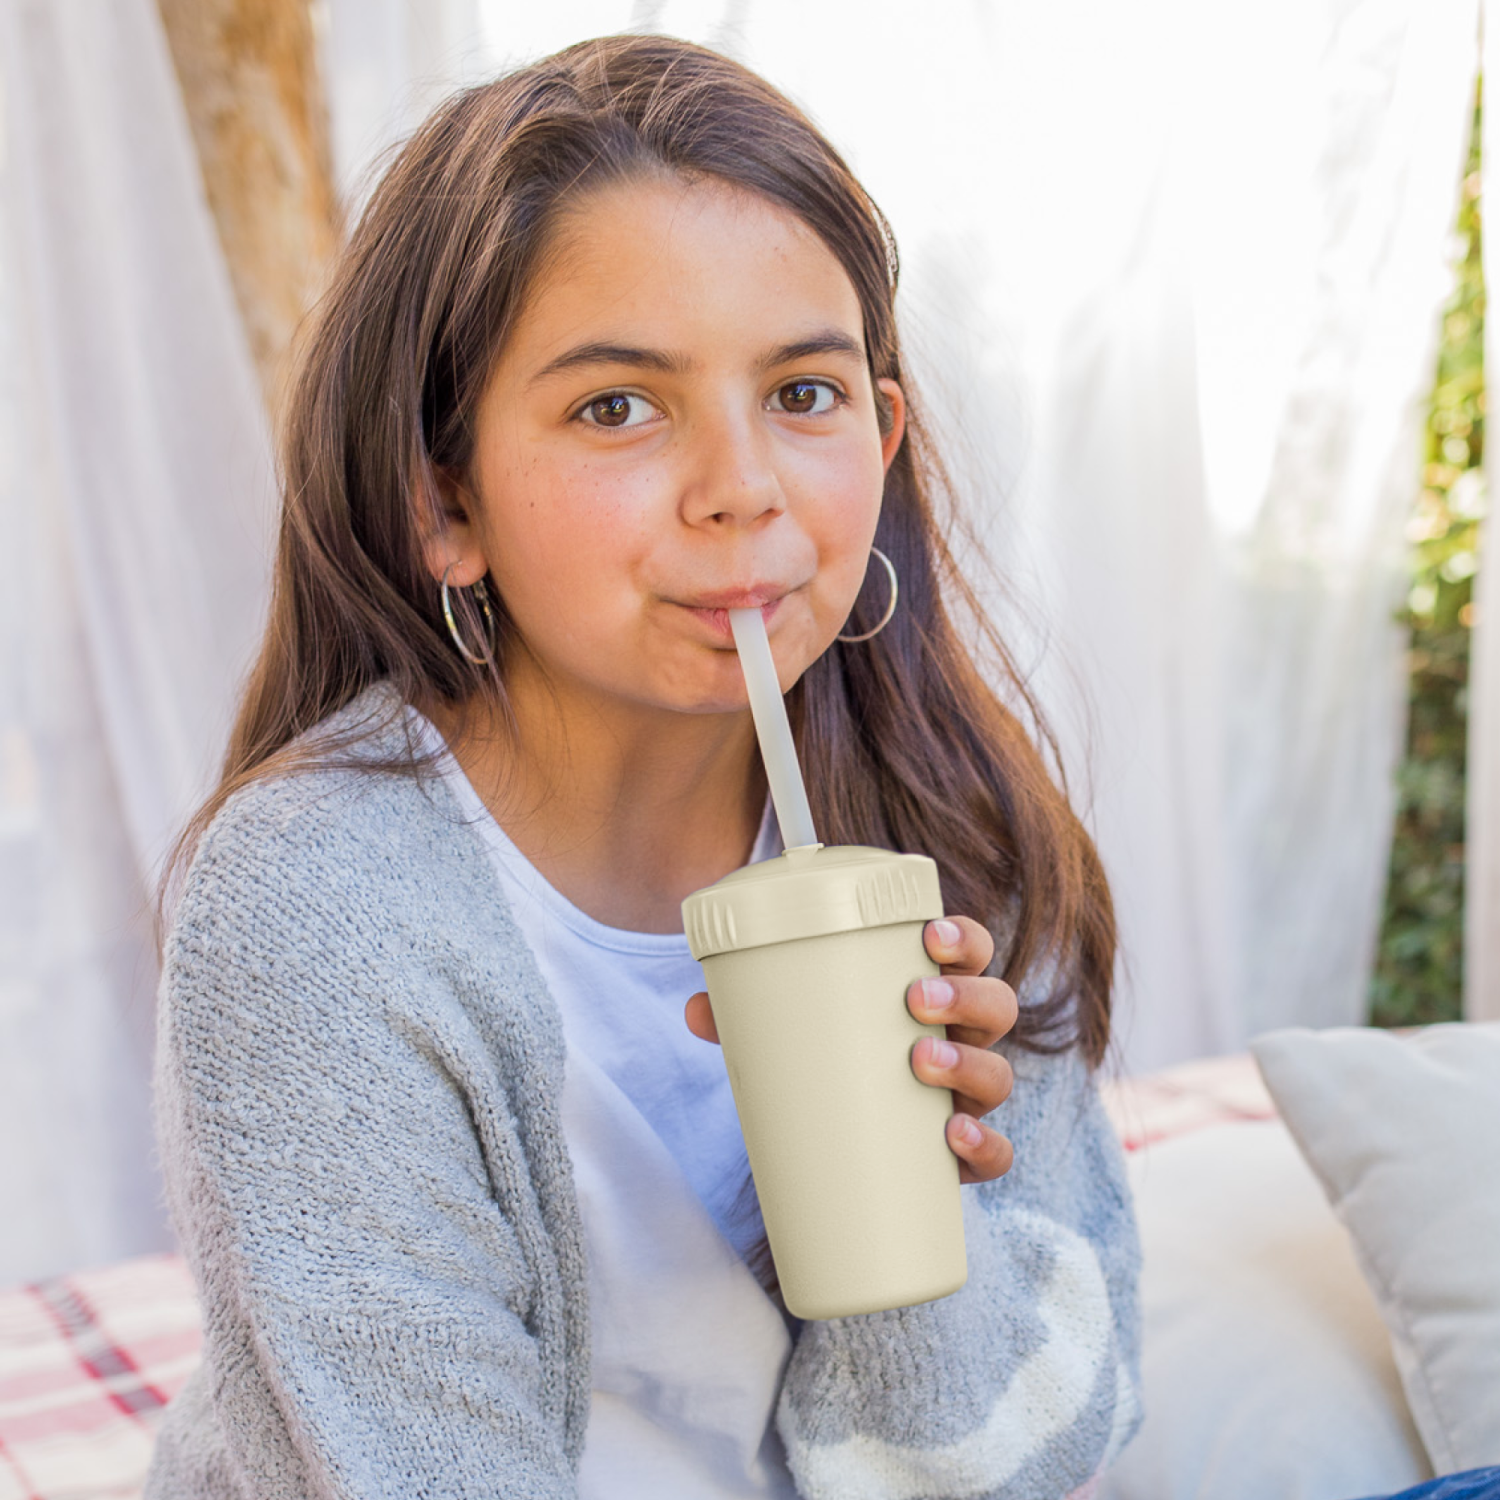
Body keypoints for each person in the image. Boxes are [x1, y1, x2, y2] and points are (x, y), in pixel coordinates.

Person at [146, 33, 1141, 1500]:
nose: (740, 489)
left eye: (802, 395)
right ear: (444, 503)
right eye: (617, 406)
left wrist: (911, 1236)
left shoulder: (951, 823)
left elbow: (1041, 1447)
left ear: (883, 436)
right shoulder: (314, 910)